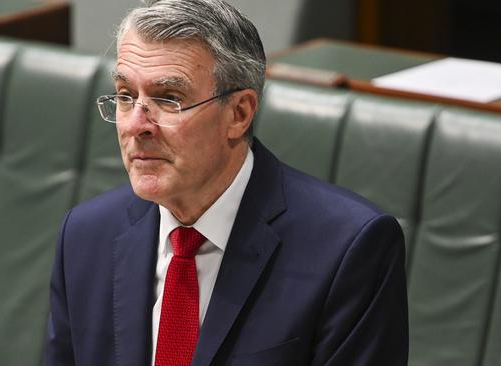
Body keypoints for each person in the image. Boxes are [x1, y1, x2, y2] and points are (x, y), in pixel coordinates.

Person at [45, 0, 408, 365]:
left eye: (169, 99)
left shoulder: (349, 249)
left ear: (239, 113)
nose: (136, 126)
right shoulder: (85, 236)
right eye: (126, 96)